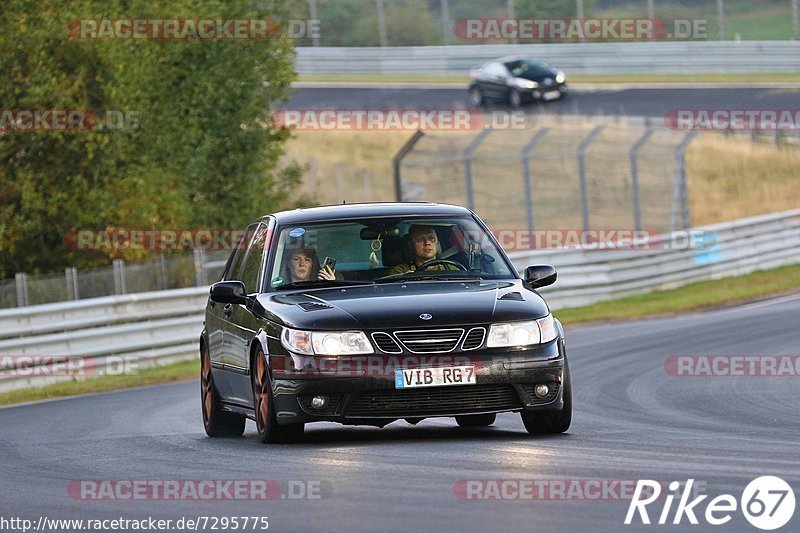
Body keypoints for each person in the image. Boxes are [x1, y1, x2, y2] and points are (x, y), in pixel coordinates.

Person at [385, 224, 461, 276]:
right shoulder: (399, 272)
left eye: (431, 238)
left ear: (437, 242)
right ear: (411, 245)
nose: (427, 242)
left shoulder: (450, 268)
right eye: (420, 239)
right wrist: (405, 280)